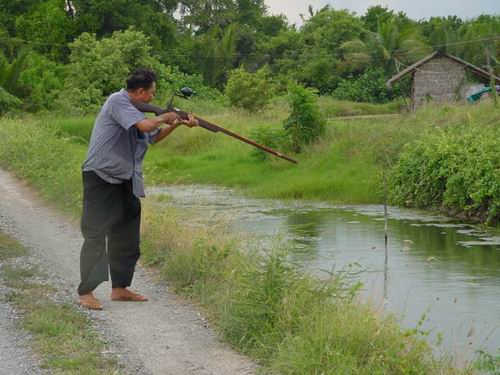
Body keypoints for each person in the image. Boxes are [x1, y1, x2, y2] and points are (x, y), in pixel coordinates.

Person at [78, 68, 197, 310]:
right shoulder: (118, 101)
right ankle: (86, 292)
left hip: (126, 179)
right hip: (101, 176)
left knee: (127, 234)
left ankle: (120, 288)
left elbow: (152, 138)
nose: (153, 98)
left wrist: (178, 123)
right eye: (152, 93)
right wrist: (166, 116)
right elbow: (145, 126)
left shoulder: (139, 110)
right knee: (96, 233)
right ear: (140, 91)